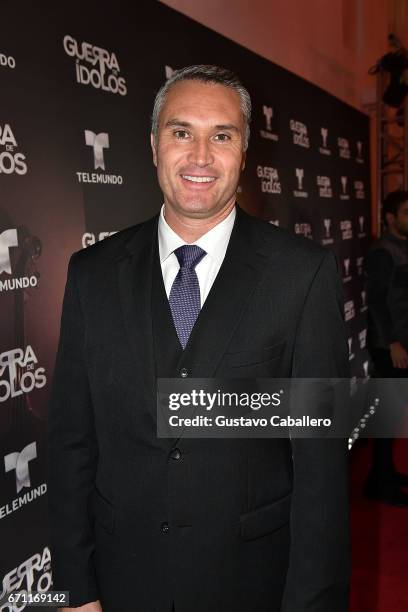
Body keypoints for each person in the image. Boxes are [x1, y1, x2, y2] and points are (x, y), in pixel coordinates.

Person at [47, 65, 350, 612]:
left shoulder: (301, 274)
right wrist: (75, 587)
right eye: (182, 132)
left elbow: (320, 468)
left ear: (245, 152)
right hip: (122, 583)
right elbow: (71, 440)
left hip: (252, 583)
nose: (201, 156)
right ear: (154, 145)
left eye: (223, 136)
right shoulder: (91, 273)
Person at [364, 189, 408, 506]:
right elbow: (376, 302)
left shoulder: (404, 248)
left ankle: (385, 475)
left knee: (394, 416)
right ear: (391, 217)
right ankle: (380, 484)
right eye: (407, 212)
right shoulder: (382, 252)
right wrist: (392, 342)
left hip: (403, 342)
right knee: (387, 416)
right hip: (389, 346)